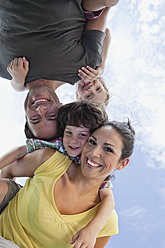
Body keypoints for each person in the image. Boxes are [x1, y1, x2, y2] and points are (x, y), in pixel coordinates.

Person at [0, 119, 135, 248]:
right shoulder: (51, 161)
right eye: (92, 142)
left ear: (122, 163)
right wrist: (7, 198)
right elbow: (8, 170)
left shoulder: (106, 221)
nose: (94, 153)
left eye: (108, 149)